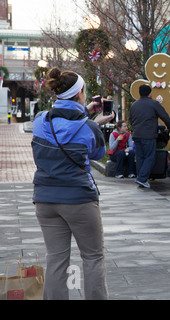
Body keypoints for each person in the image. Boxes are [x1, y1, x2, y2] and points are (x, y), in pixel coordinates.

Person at [31, 67, 114, 300]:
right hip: (79, 199)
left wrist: (84, 114)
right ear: (80, 94)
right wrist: (93, 122)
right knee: (92, 258)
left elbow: (60, 128)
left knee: (56, 259)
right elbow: (97, 153)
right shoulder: (89, 127)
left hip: (45, 199)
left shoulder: (40, 121)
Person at [130, 84, 170, 188]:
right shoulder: (154, 103)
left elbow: (131, 120)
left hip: (136, 135)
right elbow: (164, 116)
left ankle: (141, 178)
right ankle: (141, 178)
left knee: (140, 157)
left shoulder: (134, 105)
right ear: (150, 93)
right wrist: (169, 126)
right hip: (148, 135)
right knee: (150, 157)